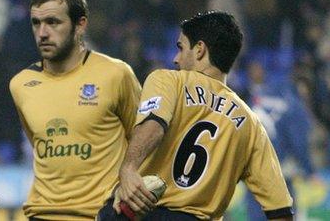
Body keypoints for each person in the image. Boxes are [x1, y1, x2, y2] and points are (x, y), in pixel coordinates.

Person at [98, 11, 294, 220]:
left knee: (111, 210)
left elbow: (153, 125)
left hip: (146, 213)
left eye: (181, 48)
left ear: (199, 49)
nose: (175, 59)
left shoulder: (169, 80)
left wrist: (128, 169)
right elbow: (280, 209)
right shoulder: (251, 124)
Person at [9, 0, 142, 220]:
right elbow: (38, 142)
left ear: (80, 25)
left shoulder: (116, 74)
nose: (42, 33)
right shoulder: (20, 84)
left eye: (53, 22)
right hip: (42, 214)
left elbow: (143, 138)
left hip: (98, 215)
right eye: (36, 23)